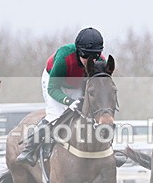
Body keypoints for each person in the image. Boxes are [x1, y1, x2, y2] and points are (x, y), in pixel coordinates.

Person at [15, 27, 104, 165]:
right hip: (55, 82)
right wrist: (68, 101)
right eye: (86, 56)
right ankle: (29, 149)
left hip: (77, 85)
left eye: (94, 57)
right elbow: (52, 88)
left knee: (91, 116)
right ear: (79, 51)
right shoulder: (64, 57)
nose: (90, 61)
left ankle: (107, 152)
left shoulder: (101, 62)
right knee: (55, 116)